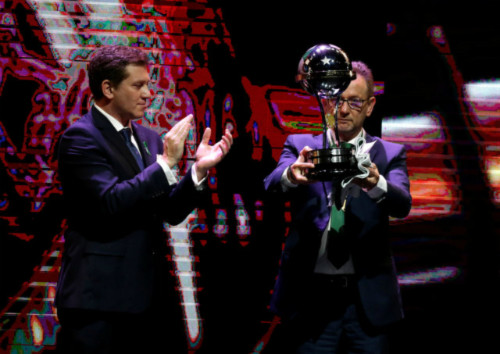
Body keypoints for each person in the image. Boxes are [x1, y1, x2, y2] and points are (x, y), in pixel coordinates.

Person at [54, 45, 232, 353]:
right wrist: (165, 165)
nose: (148, 93)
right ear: (108, 88)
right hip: (98, 302)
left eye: (148, 84)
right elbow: (109, 202)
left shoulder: (149, 139)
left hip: (147, 299)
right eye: (138, 85)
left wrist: (197, 171)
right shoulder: (80, 138)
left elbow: (171, 211)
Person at [263, 61, 412, 353]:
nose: (342, 111)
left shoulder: (390, 153)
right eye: (338, 100)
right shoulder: (300, 145)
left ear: (369, 106)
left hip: (366, 302)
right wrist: (291, 175)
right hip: (310, 300)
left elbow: (402, 204)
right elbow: (270, 185)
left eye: (354, 102)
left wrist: (375, 182)